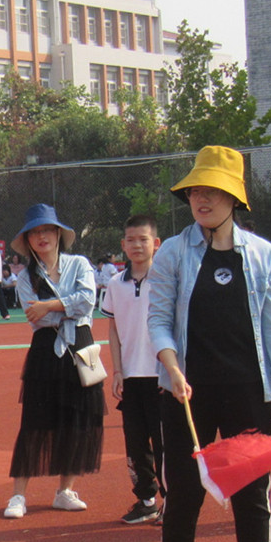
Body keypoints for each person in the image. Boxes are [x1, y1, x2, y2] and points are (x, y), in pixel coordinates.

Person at [146, 146, 271, 542]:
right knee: (183, 490)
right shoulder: (172, 252)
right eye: (196, 191)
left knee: (252, 492)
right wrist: (171, 367)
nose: (202, 199)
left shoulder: (261, 253)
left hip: (249, 391)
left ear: (234, 198)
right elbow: (158, 319)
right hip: (187, 391)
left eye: (213, 191)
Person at [2, 203, 104, 519]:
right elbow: (35, 316)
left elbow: (88, 300)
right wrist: (59, 309)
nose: (41, 236)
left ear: (59, 234)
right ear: (27, 240)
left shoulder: (80, 264)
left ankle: (65, 491)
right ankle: (18, 495)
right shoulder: (25, 277)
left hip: (80, 346)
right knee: (34, 421)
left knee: (78, 420)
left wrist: (48, 305)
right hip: (46, 349)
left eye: (47, 230)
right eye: (34, 232)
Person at [100, 214, 164, 525]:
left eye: (143, 239)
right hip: (131, 378)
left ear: (156, 243)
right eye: (131, 240)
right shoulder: (115, 284)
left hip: (162, 376)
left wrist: (174, 370)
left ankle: (173, 499)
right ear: (123, 245)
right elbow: (113, 329)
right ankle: (146, 499)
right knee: (136, 443)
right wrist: (117, 371)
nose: (137, 245)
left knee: (165, 442)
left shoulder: (167, 280)